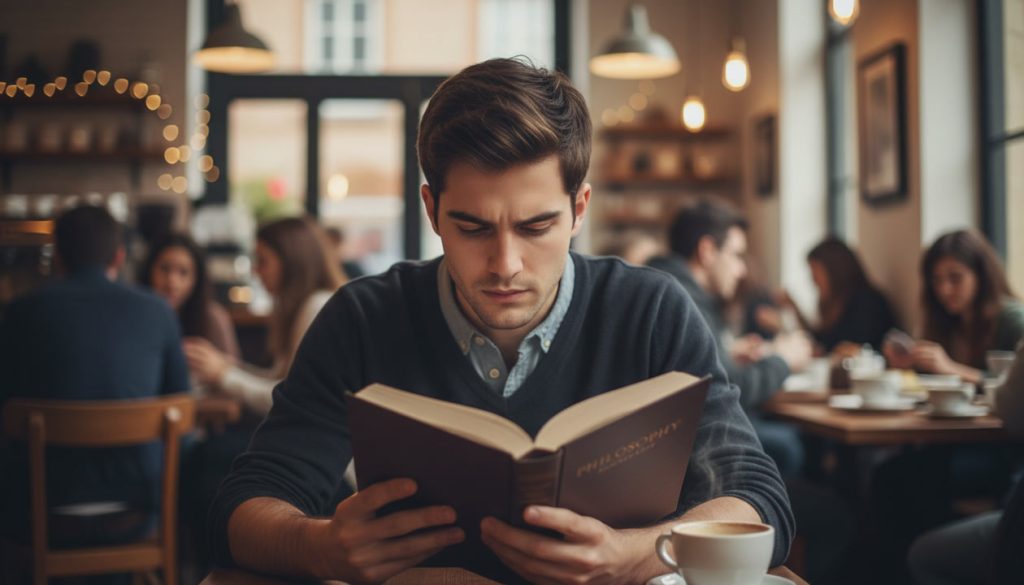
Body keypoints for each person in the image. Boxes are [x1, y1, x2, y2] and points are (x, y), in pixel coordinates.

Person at [208, 58, 793, 585]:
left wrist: (633, 554)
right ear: (432, 209)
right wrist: (320, 546)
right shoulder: (363, 318)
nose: (505, 265)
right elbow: (246, 507)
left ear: (578, 210)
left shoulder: (650, 311)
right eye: (474, 227)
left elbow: (756, 496)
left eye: (536, 227)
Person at [0, 205, 189, 548]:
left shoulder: (19, 312)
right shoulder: (158, 311)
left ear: (57, 256)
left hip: (41, 510)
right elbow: (181, 402)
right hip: (135, 508)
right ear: (118, 257)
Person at [647, 201, 812, 476]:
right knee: (791, 444)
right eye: (736, 255)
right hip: (687, 453)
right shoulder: (682, 298)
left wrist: (728, 353)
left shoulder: (669, 286)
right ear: (707, 250)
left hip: (675, 442)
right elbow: (725, 390)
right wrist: (783, 359)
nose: (741, 270)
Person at [184, 216, 346, 415]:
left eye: (262, 260)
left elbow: (290, 398)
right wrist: (231, 367)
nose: (255, 271)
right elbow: (278, 380)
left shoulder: (317, 306)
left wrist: (224, 375)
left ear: (291, 262)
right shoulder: (308, 305)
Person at [907, 344, 1024, 585]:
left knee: (924, 555)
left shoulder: (1010, 319)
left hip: (1000, 460)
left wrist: (951, 369)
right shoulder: (944, 325)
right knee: (906, 477)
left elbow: (1012, 411)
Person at [884, 229, 1024, 384]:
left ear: (982, 275)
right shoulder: (945, 321)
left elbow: (1016, 389)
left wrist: (951, 369)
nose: (945, 290)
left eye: (956, 278)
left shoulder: (1012, 319)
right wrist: (909, 365)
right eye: (937, 280)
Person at [786, 237, 897, 355]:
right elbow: (822, 342)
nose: (813, 280)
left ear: (835, 271)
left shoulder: (867, 303)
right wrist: (794, 308)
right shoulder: (832, 303)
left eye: (816, 272)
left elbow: (871, 348)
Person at [139, 233, 240, 359]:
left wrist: (215, 368)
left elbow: (231, 370)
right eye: (165, 269)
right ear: (149, 270)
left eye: (184, 272)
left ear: (196, 279)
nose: (172, 282)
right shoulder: (135, 315)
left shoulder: (212, 318)